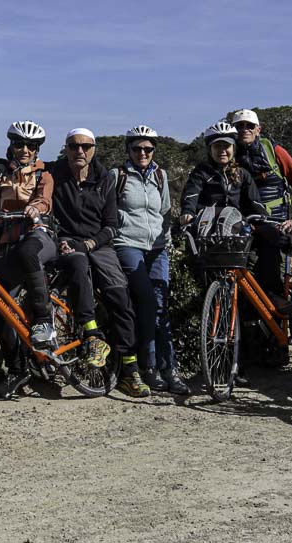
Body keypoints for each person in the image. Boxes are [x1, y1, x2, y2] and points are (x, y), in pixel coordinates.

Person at [46, 128, 147, 398]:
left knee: (119, 295)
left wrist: (91, 243)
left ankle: (130, 369)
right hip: (67, 241)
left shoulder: (105, 179)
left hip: (98, 244)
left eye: (86, 146)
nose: (80, 151)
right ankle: (92, 336)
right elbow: (23, 159)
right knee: (77, 264)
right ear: (65, 149)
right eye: (74, 146)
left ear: (94, 150)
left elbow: (111, 225)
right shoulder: (53, 174)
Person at [179, 120, 275, 384]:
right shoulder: (201, 173)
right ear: (210, 149)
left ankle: (241, 363)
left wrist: (260, 219)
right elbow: (190, 196)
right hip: (211, 246)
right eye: (217, 146)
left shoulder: (242, 174)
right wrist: (188, 214)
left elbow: (254, 202)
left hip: (238, 245)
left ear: (233, 148)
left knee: (244, 304)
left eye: (227, 146)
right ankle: (212, 360)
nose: (223, 150)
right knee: (214, 305)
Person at [113, 125, 188, 395]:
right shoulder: (117, 175)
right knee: (145, 300)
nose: (142, 153)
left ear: (154, 150)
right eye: (137, 148)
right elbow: (109, 212)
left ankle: (170, 369)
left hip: (158, 247)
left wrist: (166, 240)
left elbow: (166, 210)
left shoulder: (160, 175)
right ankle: (150, 366)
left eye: (148, 149)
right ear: (128, 151)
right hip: (128, 244)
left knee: (160, 305)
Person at [0, 120, 56, 399]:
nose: (24, 149)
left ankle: (43, 320)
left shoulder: (44, 175)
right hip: (7, 242)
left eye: (31, 145)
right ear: (11, 145)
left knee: (28, 252)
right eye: (19, 144)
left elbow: (45, 200)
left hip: (38, 235)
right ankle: (17, 369)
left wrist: (34, 209)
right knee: (1, 310)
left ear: (37, 148)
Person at [226, 108, 292, 299]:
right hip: (245, 226)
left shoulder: (274, 151)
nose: (244, 129)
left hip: (276, 224)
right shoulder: (229, 154)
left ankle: (277, 326)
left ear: (258, 129)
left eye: (250, 126)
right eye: (239, 126)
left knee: (271, 281)